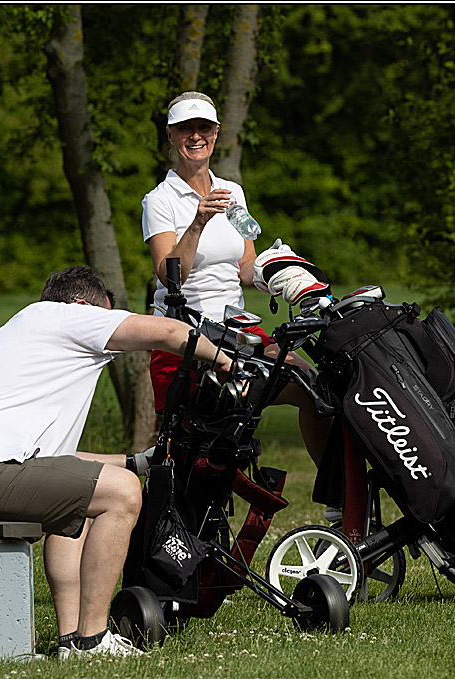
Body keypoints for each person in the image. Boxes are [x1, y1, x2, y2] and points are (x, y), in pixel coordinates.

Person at [0, 266, 232, 659]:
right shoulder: (66, 317)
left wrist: (138, 461)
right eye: (105, 316)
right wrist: (225, 360)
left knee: (85, 495)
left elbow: (54, 463)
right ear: (83, 306)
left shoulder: (21, 336)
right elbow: (170, 333)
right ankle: (94, 639)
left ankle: (71, 639)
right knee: (121, 495)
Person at [141, 90, 333, 469]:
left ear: (216, 134)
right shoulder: (159, 199)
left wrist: (277, 272)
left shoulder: (233, 192)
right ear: (170, 135)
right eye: (186, 129)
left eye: (204, 128)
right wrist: (198, 221)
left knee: (314, 385)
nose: (195, 136)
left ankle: (337, 498)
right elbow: (167, 273)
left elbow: (245, 266)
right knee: (196, 449)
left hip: (237, 331)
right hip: (187, 336)